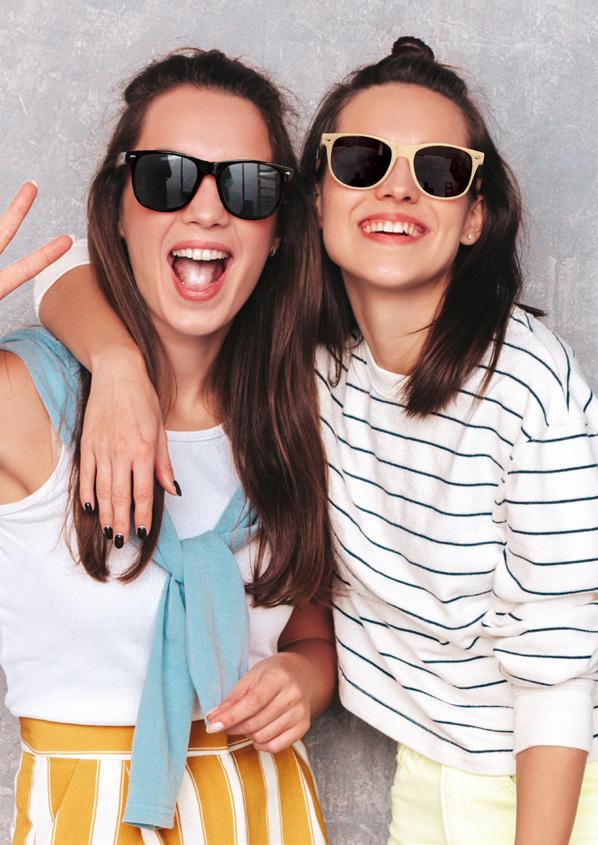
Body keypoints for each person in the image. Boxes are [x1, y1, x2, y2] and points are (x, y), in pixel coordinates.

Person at [33, 37, 598, 845]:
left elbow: (559, 662)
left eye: (439, 171)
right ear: (317, 203)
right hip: (430, 769)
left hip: (557, 784)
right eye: (364, 161)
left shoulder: (529, 386)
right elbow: (69, 269)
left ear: (476, 214)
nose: (398, 187)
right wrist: (117, 364)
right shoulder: (316, 371)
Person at [1, 49, 335, 844]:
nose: (208, 211)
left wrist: (303, 678)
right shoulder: (27, 399)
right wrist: (116, 361)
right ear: (117, 209)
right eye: (166, 178)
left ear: (278, 232)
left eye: (247, 187)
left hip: (268, 810)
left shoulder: (297, 411)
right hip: (90, 817)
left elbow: (310, 631)